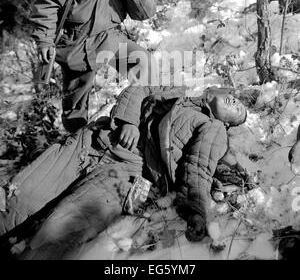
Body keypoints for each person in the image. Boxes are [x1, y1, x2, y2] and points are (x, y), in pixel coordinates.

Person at [0, 86, 248, 258]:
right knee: (19, 200)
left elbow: (198, 167)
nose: (236, 103)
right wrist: (129, 121)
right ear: (214, 92)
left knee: (59, 232)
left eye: (239, 111)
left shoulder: (213, 128)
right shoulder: (176, 93)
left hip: (128, 173)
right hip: (93, 143)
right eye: (236, 99)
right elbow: (138, 89)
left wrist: (196, 210)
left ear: (227, 124)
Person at [30, 0, 156, 133]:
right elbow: (47, 4)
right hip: (75, 43)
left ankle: (135, 125)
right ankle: (79, 149)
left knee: (143, 63)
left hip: (108, 37)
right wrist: (44, 40)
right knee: (75, 112)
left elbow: (143, 14)